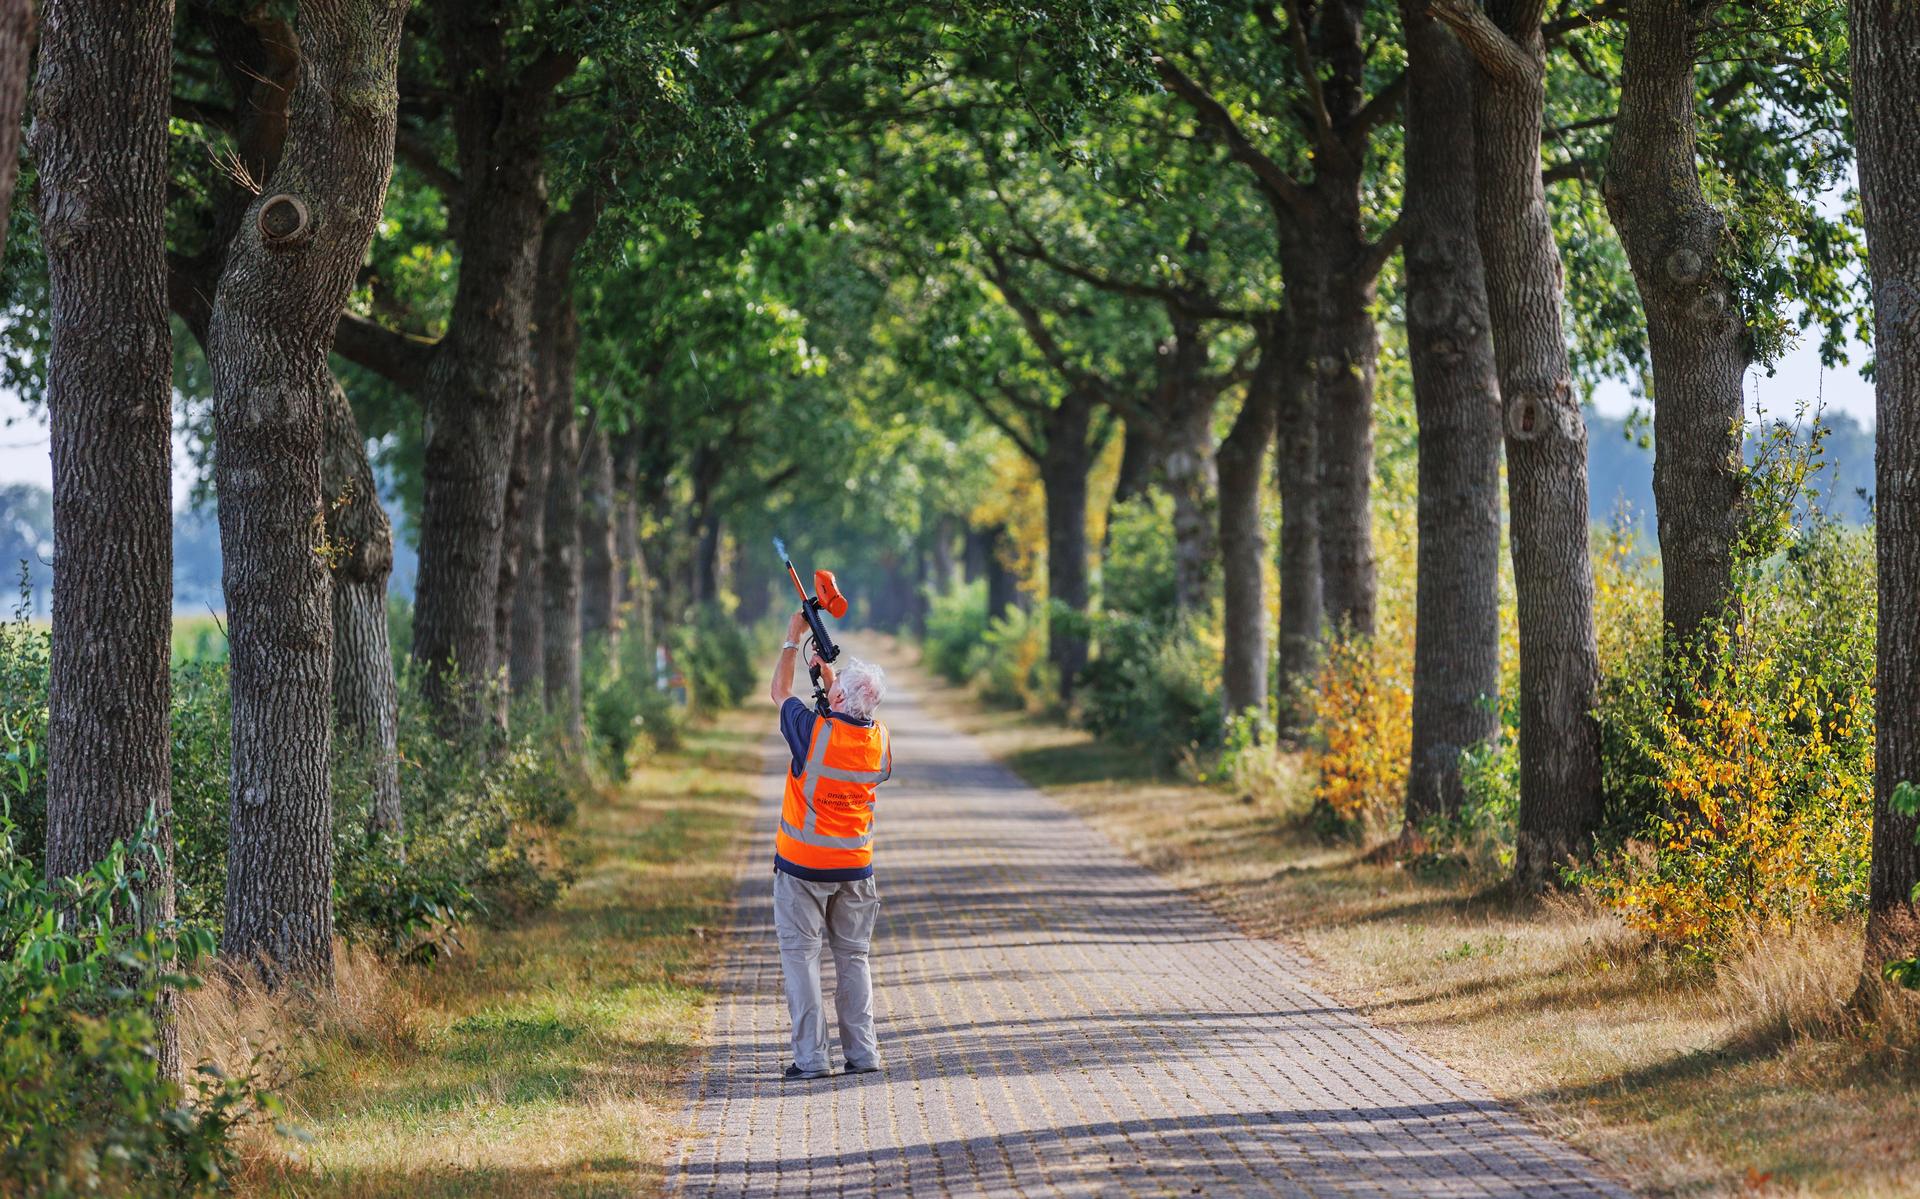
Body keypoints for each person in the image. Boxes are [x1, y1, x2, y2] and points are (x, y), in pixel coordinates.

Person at [767, 609, 892, 1080]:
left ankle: (811, 1060)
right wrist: (830, 676)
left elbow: (781, 694)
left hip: (801, 869)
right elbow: (851, 716)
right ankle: (863, 1055)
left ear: (839, 698)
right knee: (853, 959)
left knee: (801, 960)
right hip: (856, 870)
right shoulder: (878, 742)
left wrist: (791, 640)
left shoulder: (812, 732)